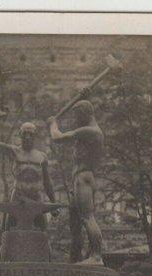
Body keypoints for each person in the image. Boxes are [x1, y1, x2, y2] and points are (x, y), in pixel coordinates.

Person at [47, 97, 104, 264]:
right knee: (75, 225)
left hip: (83, 178)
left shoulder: (91, 131)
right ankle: (75, 259)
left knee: (87, 217)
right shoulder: (88, 131)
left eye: (77, 116)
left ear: (84, 113)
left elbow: (57, 138)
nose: (75, 121)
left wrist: (52, 123)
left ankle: (96, 256)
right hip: (78, 179)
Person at [0, 112, 58, 230]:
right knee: (9, 231)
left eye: (30, 134)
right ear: (20, 135)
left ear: (35, 136)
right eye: (25, 134)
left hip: (36, 198)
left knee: (42, 231)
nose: (27, 137)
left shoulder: (42, 156)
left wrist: (54, 204)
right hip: (18, 197)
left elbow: (47, 182)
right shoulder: (13, 151)